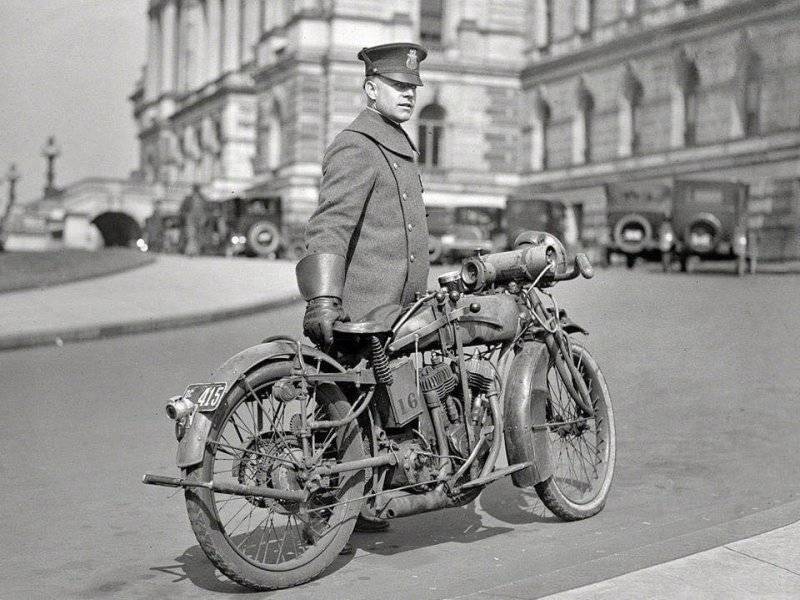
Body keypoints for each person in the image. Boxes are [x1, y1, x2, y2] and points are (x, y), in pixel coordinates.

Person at [296, 43, 430, 349]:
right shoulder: (357, 145)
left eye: (412, 87)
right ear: (371, 89)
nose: (408, 94)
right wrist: (323, 301)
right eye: (398, 85)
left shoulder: (395, 141)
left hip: (398, 322)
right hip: (363, 321)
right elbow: (331, 224)